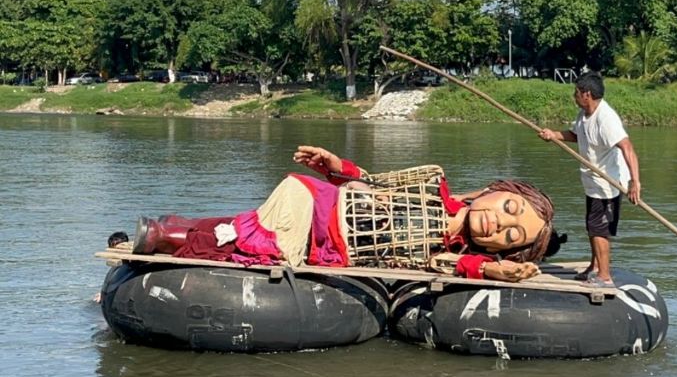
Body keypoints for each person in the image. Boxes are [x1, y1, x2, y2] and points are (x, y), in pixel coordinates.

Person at [130, 145, 565, 282]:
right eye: (509, 209)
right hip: (321, 204)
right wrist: (337, 168)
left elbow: (456, 264)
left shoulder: (444, 250)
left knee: (271, 238)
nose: (500, 223)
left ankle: (173, 232)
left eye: (511, 236)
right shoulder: (434, 184)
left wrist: (492, 271)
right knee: (285, 220)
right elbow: (376, 183)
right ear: (494, 191)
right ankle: (170, 235)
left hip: (329, 246)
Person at [538, 72, 641, 287]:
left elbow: (628, 148)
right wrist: (554, 135)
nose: (573, 96)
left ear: (587, 94)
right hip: (592, 182)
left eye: (576, 93)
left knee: (599, 229)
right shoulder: (583, 114)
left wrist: (634, 182)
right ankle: (594, 267)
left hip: (608, 183)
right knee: (592, 227)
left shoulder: (606, 119)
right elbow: (577, 136)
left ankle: (604, 276)